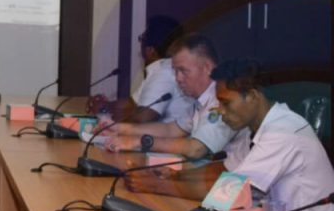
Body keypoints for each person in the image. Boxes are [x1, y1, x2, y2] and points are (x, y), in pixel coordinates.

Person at [126, 60, 334, 211]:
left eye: (226, 103)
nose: (220, 111)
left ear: (252, 96)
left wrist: (156, 186)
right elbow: (225, 171)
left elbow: (228, 193)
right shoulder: (255, 128)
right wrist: (174, 176)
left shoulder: (283, 132)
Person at [101, 33, 249, 163]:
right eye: (175, 71)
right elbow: (170, 130)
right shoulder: (200, 100)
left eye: (183, 71)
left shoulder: (224, 100)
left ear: (207, 68)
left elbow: (196, 148)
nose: (178, 78)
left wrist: (139, 141)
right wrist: (119, 128)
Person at [91, 16, 193, 124]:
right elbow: (131, 104)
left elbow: (142, 119)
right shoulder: (162, 69)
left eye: (141, 39)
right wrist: (105, 106)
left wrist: (105, 118)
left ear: (150, 50)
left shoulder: (164, 73)